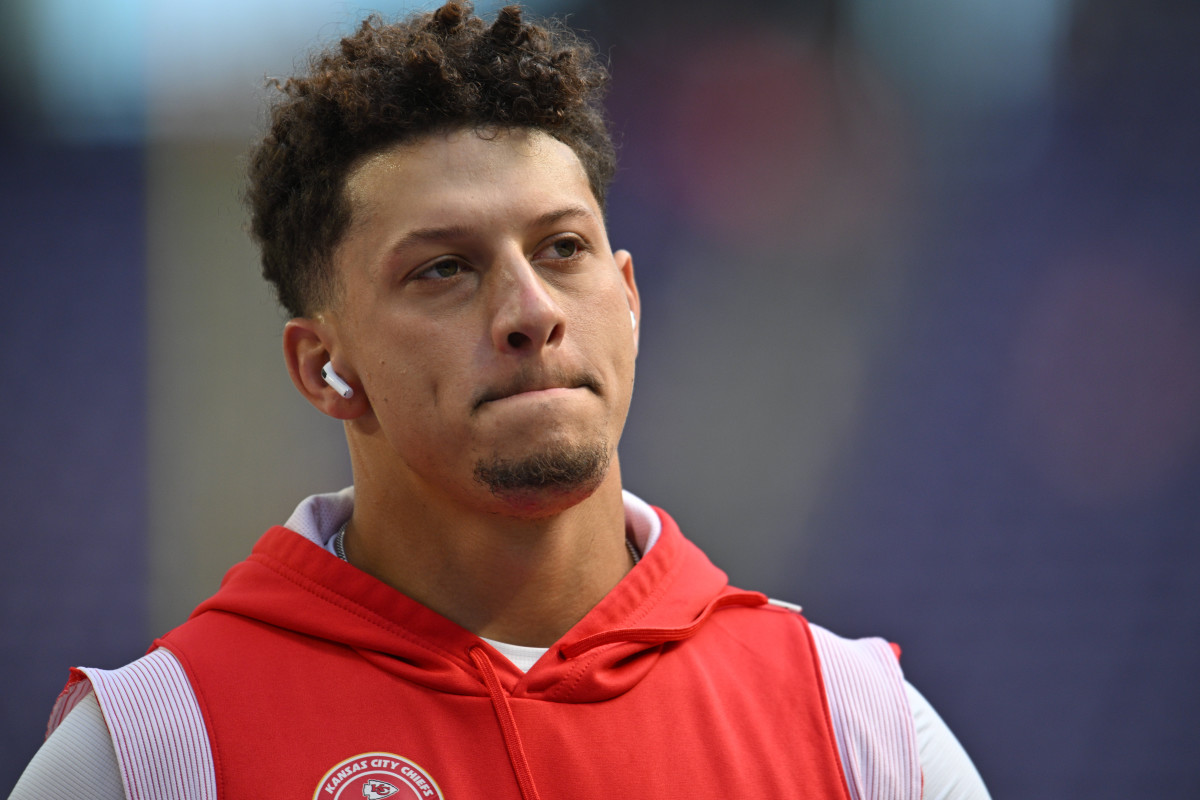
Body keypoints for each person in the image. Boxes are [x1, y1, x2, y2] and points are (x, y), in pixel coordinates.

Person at [10, 4, 990, 798]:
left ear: (629, 299)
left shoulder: (863, 734)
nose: (531, 311)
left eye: (563, 249)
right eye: (443, 268)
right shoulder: (150, 757)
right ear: (321, 367)